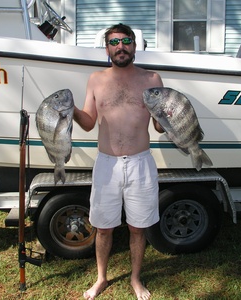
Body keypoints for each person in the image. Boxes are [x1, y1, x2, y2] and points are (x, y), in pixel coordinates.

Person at [73, 23, 164, 300]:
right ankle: (101, 278)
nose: (120, 46)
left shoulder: (152, 79)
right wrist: (70, 110)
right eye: (114, 42)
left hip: (140, 163)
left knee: (138, 227)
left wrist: (169, 116)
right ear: (107, 48)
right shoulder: (96, 79)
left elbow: (160, 127)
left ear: (135, 46)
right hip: (107, 165)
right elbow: (88, 123)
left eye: (126, 41)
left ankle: (136, 279)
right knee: (103, 226)